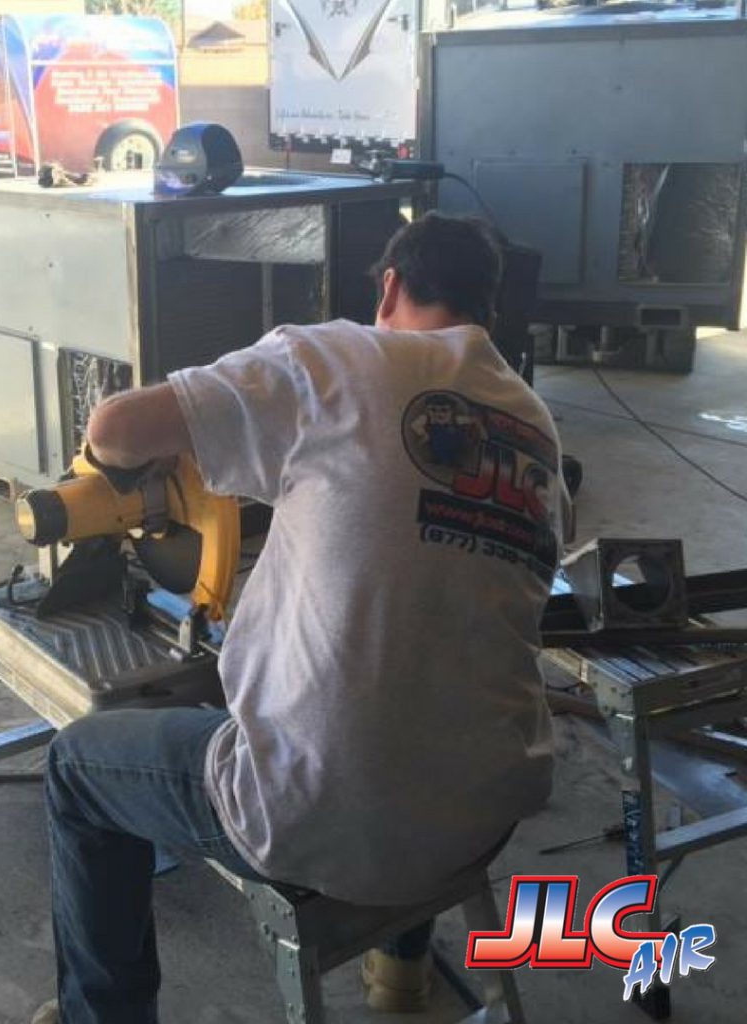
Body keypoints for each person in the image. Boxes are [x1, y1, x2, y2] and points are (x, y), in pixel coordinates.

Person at [32, 212, 570, 1024]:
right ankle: (401, 975)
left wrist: (105, 473)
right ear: (487, 306)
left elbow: (117, 427)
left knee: (77, 766)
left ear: (390, 286)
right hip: (484, 815)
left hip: (316, 813)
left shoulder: (340, 359)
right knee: (422, 657)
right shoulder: (533, 424)